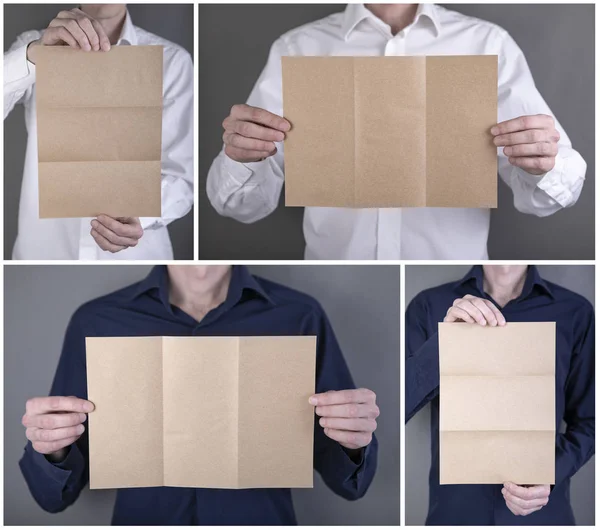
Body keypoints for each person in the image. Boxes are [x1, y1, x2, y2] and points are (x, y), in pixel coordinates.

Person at [207, 3, 586, 260]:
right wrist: (241, 157)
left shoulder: (488, 45)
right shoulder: (298, 48)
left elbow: (548, 195)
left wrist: (543, 164)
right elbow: (244, 206)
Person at [19, 265, 379, 524]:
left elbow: (348, 484)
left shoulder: (299, 316)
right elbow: (54, 498)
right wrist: (53, 448)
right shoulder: (98, 321)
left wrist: (355, 439)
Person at [405, 265, 594, 525]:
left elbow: (591, 421)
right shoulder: (428, 305)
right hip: (455, 515)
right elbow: (398, 407)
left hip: (543, 518)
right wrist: (445, 343)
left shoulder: (575, 312)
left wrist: (552, 471)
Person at [4, 4, 193, 259]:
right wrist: (32, 56)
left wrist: (141, 215)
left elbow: (182, 175)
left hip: (135, 257)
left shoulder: (172, 61)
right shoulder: (33, 46)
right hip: (45, 253)